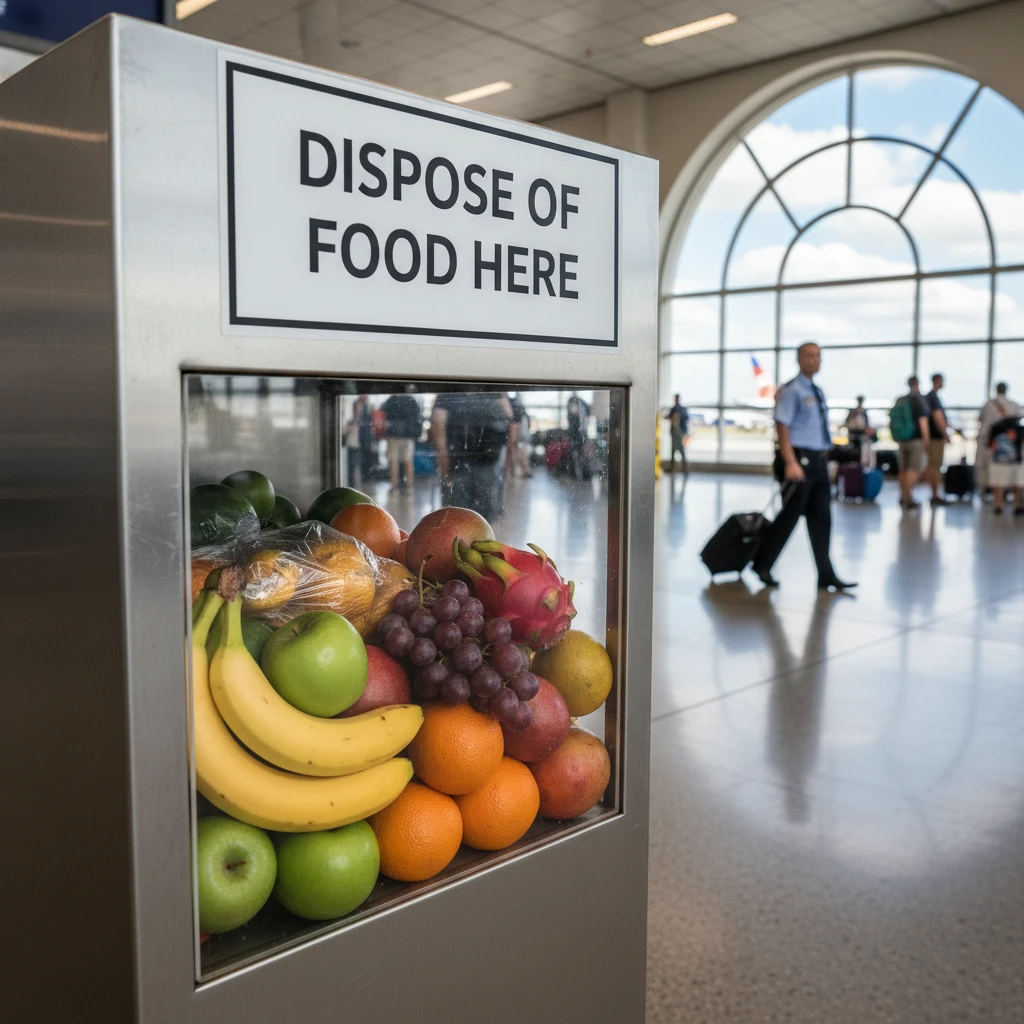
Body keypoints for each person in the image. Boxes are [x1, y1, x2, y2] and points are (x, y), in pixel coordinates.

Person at [750, 342, 856, 592]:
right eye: (809, 356)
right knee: (789, 516)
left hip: (818, 460)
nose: (815, 360)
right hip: (798, 460)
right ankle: (762, 563)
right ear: (798, 359)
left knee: (822, 519)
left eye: (818, 356)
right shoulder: (791, 390)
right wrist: (790, 462)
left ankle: (826, 574)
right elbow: (782, 426)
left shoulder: (817, 391)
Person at [431, 391, 513, 522]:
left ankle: (462, 531)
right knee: (485, 505)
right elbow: (508, 417)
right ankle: (483, 530)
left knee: (456, 508)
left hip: (458, 456)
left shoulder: (449, 390)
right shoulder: (493, 389)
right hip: (488, 455)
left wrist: (442, 453)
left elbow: (438, 420)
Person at [890, 376, 931, 510]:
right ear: (918, 384)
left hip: (902, 440)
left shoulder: (901, 400)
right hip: (915, 440)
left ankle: (903, 496)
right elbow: (923, 422)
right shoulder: (918, 400)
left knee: (903, 469)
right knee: (914, 469)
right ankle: (907, 496)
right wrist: (926, 441)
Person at [978, 383, 1022, 495]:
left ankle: (993, 496)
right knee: (1012, 472)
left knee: (994, 472)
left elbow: (981, 421)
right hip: (1011, 445)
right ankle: (1012, 496)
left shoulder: (988, 405)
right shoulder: (1014, 405)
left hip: (992, 444)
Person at [381, 390, 422, 491]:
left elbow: (382, 413)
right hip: (408, 435)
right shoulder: (411, 400)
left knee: (393, 460)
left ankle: (394, 485)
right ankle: (409, 485)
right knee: (408, 460)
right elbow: (417, 417)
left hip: (393, 434)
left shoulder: (391, 400)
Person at [922, 373, 951, 506]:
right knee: (934, 467)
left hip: (931, 437)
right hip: (935, 438)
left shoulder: (928, 397)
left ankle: (934, 494)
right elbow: (937, 416)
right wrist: (945, 433)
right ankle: (935, 495)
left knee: (932, 466)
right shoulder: (933, 397)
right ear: (937, 381)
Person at [986, 413, 1024, 515]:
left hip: (1000, 462)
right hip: (1013, 463)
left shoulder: (996, 433)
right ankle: (1016, 505)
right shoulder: (1018, 431)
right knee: (1016, 483)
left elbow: (990, 447)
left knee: (1000, 483)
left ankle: (999, 505)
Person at [844, 395, 875, 467]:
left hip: (862, 436)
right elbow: (847, 424)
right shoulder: (852, 412)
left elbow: (867, 426)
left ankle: (864, 464)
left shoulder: (864, 412)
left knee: (866, 446)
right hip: (853, 435)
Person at [567, 392, 591, 480]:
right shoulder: (574, 420)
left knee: (582, 453)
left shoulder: (581, 418)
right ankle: (579, 473)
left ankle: (582, 472)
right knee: (576, 454)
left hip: (581, 435)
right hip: (577, 435)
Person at [509, 394, 532, 478]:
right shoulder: (521, 411)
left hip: (520, 430)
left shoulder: (517, 409)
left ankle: (523, 470)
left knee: (519, 449)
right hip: (521, 430)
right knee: (520, 449)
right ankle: (524, 470)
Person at [666, 393, 689, 473]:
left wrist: (679, 417)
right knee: (673, 449)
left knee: (681, 449)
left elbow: (686, 418)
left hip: (680, 432)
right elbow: (669, 417)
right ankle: (673, 467)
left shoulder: (682, 409)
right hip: (674, 432)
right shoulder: (673, 409)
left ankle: (684, 467)